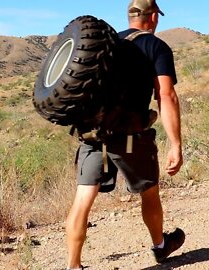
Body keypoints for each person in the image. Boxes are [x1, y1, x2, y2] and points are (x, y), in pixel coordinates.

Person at [65, 0, 184, 269]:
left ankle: (73, 265)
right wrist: (175, 144)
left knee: (83, 199)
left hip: (93, 133)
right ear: (153, 17)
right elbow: (166, 95)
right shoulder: (156, 47)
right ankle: (160, 245)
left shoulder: (104, 45)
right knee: (149, 192)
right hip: (131, 136)